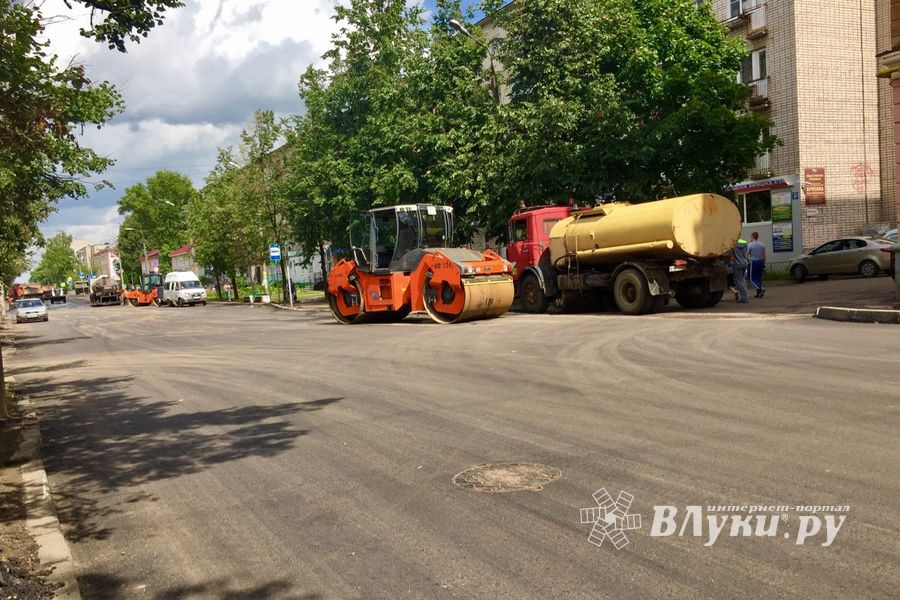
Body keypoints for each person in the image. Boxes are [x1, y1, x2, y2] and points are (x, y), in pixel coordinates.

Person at [747, 232, 767, 297]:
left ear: (752, 236)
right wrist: (764, 263)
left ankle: (760, 288)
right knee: (758, 277)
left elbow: (746, 253)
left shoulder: (750, 245)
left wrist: (748, 260)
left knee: (751, 278)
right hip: (761, 262)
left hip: (753, 262)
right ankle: (759, 293)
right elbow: (764, 255)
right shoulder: (762, 244)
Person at [731, 238, 750, 303]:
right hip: (744, 263)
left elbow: (732, 256)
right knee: (743, 280)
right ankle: (746, 296)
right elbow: (745, 254)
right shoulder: (744, 242)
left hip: (737, 264)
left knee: (739, 282)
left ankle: (744, 298)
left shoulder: (732, 243)